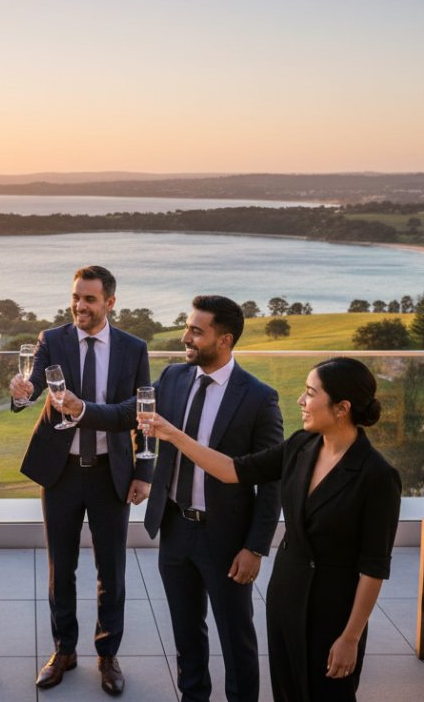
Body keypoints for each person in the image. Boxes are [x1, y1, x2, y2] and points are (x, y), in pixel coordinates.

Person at [142, 356, 401, 701]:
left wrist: (351, 637)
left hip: (333, 608)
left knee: (328, 694)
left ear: (342, 407)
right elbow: (232, 470)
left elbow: (373, 567)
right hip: (286, 594)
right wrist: (173, 435)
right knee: (286, 691)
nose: (301, 401)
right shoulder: (301, 446)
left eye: (311, 393)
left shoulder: (377, 476)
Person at [64, 295, 282, 701]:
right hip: (176, 527)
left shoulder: (258, 397)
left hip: (228, 538)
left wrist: (255, 547)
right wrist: (81, 409)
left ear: (225, 339)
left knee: (236, 639)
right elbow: (125, 412)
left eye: (196, 331)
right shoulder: (174, 378)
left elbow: (272, 483)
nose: (186, 337)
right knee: (186, 633)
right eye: (187, 326)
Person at [8, 265, 151, 695]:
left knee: (112, 570)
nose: (79, 306)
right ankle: (64, 649)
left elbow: (141, 410)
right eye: (75, 297)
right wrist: (21, 393)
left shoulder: (133, 347)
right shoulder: (53, 339)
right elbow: (33, 386)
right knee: (61, 568)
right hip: (61, 472)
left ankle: (107, 655)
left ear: (110, 302)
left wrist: (144, 471)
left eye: (89, 299)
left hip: (112, 473)